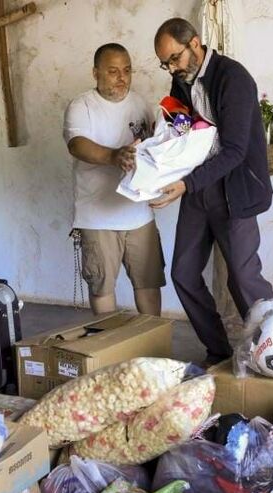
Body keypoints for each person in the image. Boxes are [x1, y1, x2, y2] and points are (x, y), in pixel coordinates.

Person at [151, 18, 273, 365]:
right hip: (197, 189)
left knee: (243, 277)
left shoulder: (232, 78)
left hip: (232, 189)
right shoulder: (181, 81)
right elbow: (179, 134)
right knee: (183, 273)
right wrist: (152, 155)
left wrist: (185, 183)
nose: (172, 68)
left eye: (174, 58)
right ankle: (219, 351)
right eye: (165, 63)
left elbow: (235, 150)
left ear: (194, 44)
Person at [63, 43, 164, 316]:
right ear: (96, 73)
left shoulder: (140, 103)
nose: (122, 77)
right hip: (97, 217)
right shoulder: (82, 105)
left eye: (127, 70)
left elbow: (153, 147)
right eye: (113, 71)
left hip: (139, 214)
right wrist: (113, 156)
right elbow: (77, 144)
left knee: (149, 284)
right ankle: (111, 349)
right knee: (102, 288)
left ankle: (153, 352)